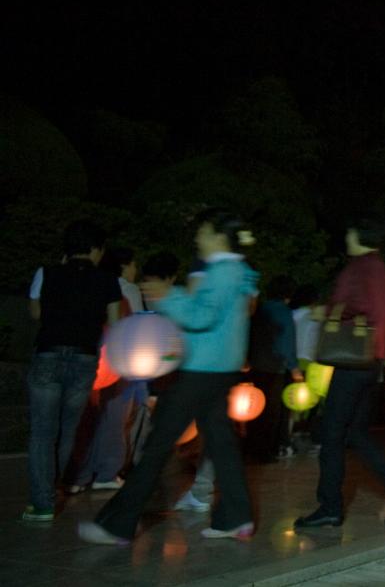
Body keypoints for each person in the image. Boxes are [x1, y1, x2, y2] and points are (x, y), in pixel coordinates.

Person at [80, 209, 257, 545]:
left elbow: (201, 316)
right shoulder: (239, 272)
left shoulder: (222, 272)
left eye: (203, 231)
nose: (197, 238)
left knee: (158, 445)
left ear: (220, 236)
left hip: (201, 371)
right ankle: (237, 517)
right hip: (217, 370)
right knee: (221, 446)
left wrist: (168, 295)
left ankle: (118, 524)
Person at [295, 219, 385, 529]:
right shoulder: (381, 269)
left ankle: (330, 506)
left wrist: (328, 311)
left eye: (349, 231)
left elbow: (355, 305)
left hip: (350, 363)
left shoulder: (359, 267)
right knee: (356, 433)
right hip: (371, 361)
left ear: (360, 235)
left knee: (332, 434)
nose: (346, 236)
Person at [23, 220, 122, 522]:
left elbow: (36, 313)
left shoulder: (47, 273)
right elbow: (115, 323)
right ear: (95, 249)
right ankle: (53, 489)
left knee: (42, 430)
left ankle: (42, 503)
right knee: (68, 429)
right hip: (83, 358)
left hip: (48, 354)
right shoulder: (108, 280)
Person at [69, 246, 144, 494]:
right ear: (124, 266)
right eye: (134, 265)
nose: (136, 271)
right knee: (115, 418)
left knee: (87, 418)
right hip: (119, 361)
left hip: (88, 357)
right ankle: (107, 472)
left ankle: (78, 476)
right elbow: (135, 326)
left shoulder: (88, 282)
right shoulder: (127, 290)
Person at [245, 274, 302, 462]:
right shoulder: (284, 312)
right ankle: (265, 452)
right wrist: (294, 367)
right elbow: (287, 342)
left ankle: (251, 448)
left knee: (254, 409)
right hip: (274, 366)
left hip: (255, 364)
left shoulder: (260, 308)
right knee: (271, 411)